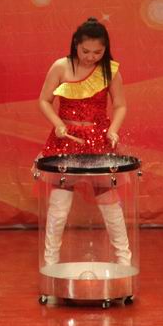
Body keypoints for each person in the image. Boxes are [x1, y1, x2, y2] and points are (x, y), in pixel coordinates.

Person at [37, 17, 132, 266]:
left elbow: (120, 105)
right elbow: (44, 100)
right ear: (75, 45)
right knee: (59, 205)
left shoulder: (109, 70)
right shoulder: (61, 66)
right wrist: (58, 123)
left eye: (97, 52)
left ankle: (124, 259)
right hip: (65, 141)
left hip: (97, 140)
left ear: (105, 49)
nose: (91, 57)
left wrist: (113, 130)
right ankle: (51, 262)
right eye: (85, 51)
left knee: (109, 203)